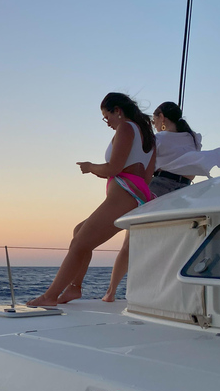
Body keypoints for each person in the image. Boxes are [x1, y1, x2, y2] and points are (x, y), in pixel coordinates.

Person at [62, 101, 200, 303]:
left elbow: (144, 162)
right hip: (184, 189)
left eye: (155, 119)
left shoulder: (157, 138)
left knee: (128, 243)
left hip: (160, 185)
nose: (153, 122)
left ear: (161, 117)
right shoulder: (194, 139)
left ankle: (110, 292)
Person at [27, 93, 155, 307]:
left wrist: (90, 168)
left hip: (125, 194)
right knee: (80, 231)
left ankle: (50, 296)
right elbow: (147, 177)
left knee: (80, 243)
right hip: (135, 194)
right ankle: (74, 288)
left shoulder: (126, 127)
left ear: (117, 110)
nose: (108, 123)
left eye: (107, 117)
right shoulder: (148, 137)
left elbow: (113, 168)